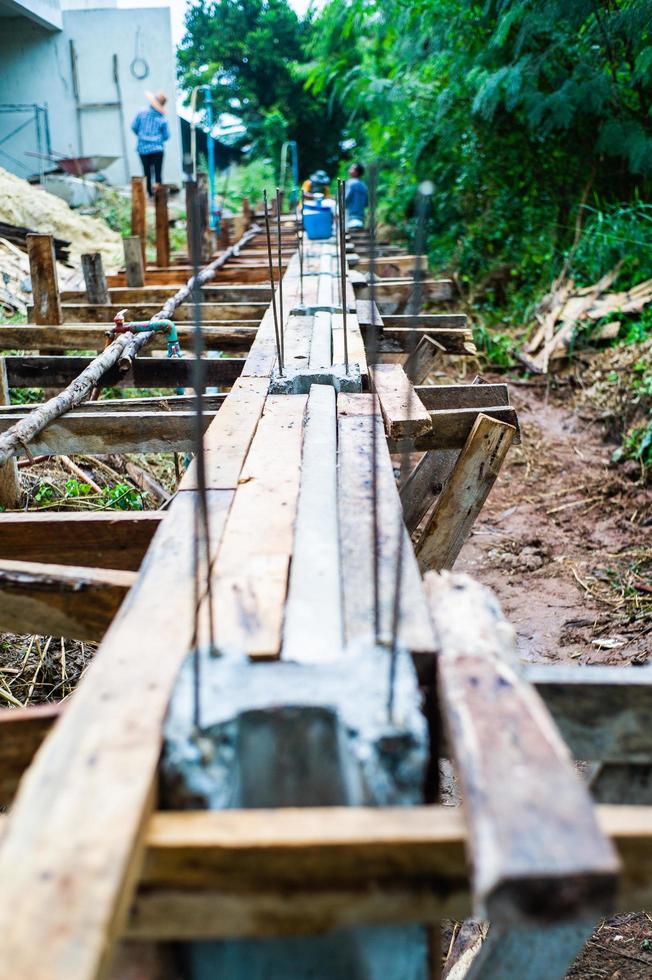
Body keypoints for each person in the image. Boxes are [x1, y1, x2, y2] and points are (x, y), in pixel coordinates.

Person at [131, 91, 170, 197]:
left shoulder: (141, 113)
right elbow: (166, 136)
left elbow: (134, 127)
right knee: (158, 174)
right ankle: (159, 197)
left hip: (143, 149)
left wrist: (142, 136)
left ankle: (149, 194)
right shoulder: (162, 119)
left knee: (146, 173)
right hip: (157, 149)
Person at [345, 162, 368, 228]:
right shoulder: (363, 185)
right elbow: (366, 203)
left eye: (352, 168)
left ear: (356, 172)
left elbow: (345, 200)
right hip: (361, 217)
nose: (349, 169)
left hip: (350, 217)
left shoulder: (350, 183)